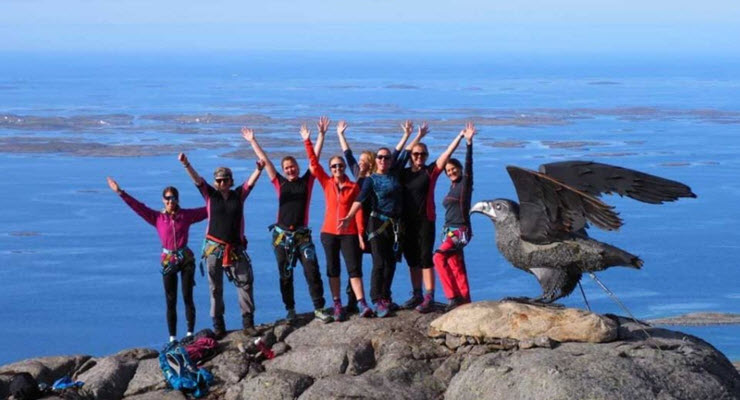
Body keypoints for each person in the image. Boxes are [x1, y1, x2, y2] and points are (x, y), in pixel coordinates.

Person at [244, 118, 333, 324]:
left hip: (302, 236)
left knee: (312, 271)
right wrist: (253, 141)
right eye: (286, 168)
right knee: (285, 275)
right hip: (282, 237)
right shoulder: (279, 183)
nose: (290, 170)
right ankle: (291, 310)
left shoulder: (307, 181)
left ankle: (319, 307)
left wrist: (319, 136)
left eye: (292, 167)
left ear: (297, 167)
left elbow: (315, 159)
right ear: (283, 170)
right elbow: (265, 160)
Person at [178, 144, 264, 338]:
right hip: (214, 249)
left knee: (245, 283)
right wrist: (186, 164)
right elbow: (197, 180)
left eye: (226, 180)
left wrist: (258, 170)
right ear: (215, 182)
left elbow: (250, 183)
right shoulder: (210, 195)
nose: (223, 183)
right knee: (215, 287)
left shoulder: (238, 195)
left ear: (231, 181)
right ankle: (218, 326)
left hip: (235, 248)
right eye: (219, 180)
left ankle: (248, 323)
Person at [106, 177, 206, 342]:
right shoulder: (157, 218)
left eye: (173, 198)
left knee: (188, 296)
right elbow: (138, 207)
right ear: (163, 200)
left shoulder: (186, 215)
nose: (170, 201)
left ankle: (190, 334)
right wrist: (120, 192)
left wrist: (223, 199)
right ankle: (173, 337)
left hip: (185, 258)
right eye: (167, 198)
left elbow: (209, 209)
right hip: (168, 260)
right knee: (171, 299)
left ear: (177, 199)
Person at [339, 121, 416, 317]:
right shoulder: (371, 179)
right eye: (380, 157)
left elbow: (402, 152)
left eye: (386, 158)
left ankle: (386, 297)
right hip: (376, 223)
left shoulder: (394, 172)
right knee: (379, 262)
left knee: (391, 262)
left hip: (395, 225)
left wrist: (411, 135)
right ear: (377, 161)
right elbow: (360, 199)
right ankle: (377, 299)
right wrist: (348, 217)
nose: (383, 160)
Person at [301, 123, 374, 320]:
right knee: (333, 269)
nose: (337, 169)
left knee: (354, 269)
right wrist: (312, 139)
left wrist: (360, 235)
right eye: (333, 166)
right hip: (329, 233)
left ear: (344, 168)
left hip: (349, 233)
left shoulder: (353, 187)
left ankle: (362, 303)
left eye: (340, 166)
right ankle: (337, 304)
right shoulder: (326, 183)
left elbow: (358, 212)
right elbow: (314, 164)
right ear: (330, 169)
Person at [400, 123, 468, 313]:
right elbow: (403, 152)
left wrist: (460, 136)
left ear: (427, 157)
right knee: (411, 260)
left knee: (425, 258)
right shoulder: (403, 173)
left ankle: (429, 296)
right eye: (416, 154)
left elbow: (447, 153)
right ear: (411, 157)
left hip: (425, 221)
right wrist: (416, 136)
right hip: (406, 222)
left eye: (422, 154)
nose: (419, 157)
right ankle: (416, 294)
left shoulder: (430, 172)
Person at [433, 122, 476, 311]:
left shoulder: (465, 184)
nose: (451, 172)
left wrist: (468, 143)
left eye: (453, 169)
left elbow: (469, 166)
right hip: (449, 230)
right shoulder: (452, 186)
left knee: (438, 258)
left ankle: (452, 297)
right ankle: (465, 301)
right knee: (455, 264)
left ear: (459, 169)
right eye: (448, 171)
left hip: (459, 231)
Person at [335, 120, 375, 313]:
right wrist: (341, 135)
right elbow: (347, 155)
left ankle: (382, 297)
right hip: (355, 225)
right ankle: (353, 301)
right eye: (360, 160)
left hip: (372, 225)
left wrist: (408, 136)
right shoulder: (357, 175)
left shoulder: (373, 179)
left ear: (371, 163)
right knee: (354, 264)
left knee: (379, 262)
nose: (360, 162)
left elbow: (399, 157)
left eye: (364, 160)